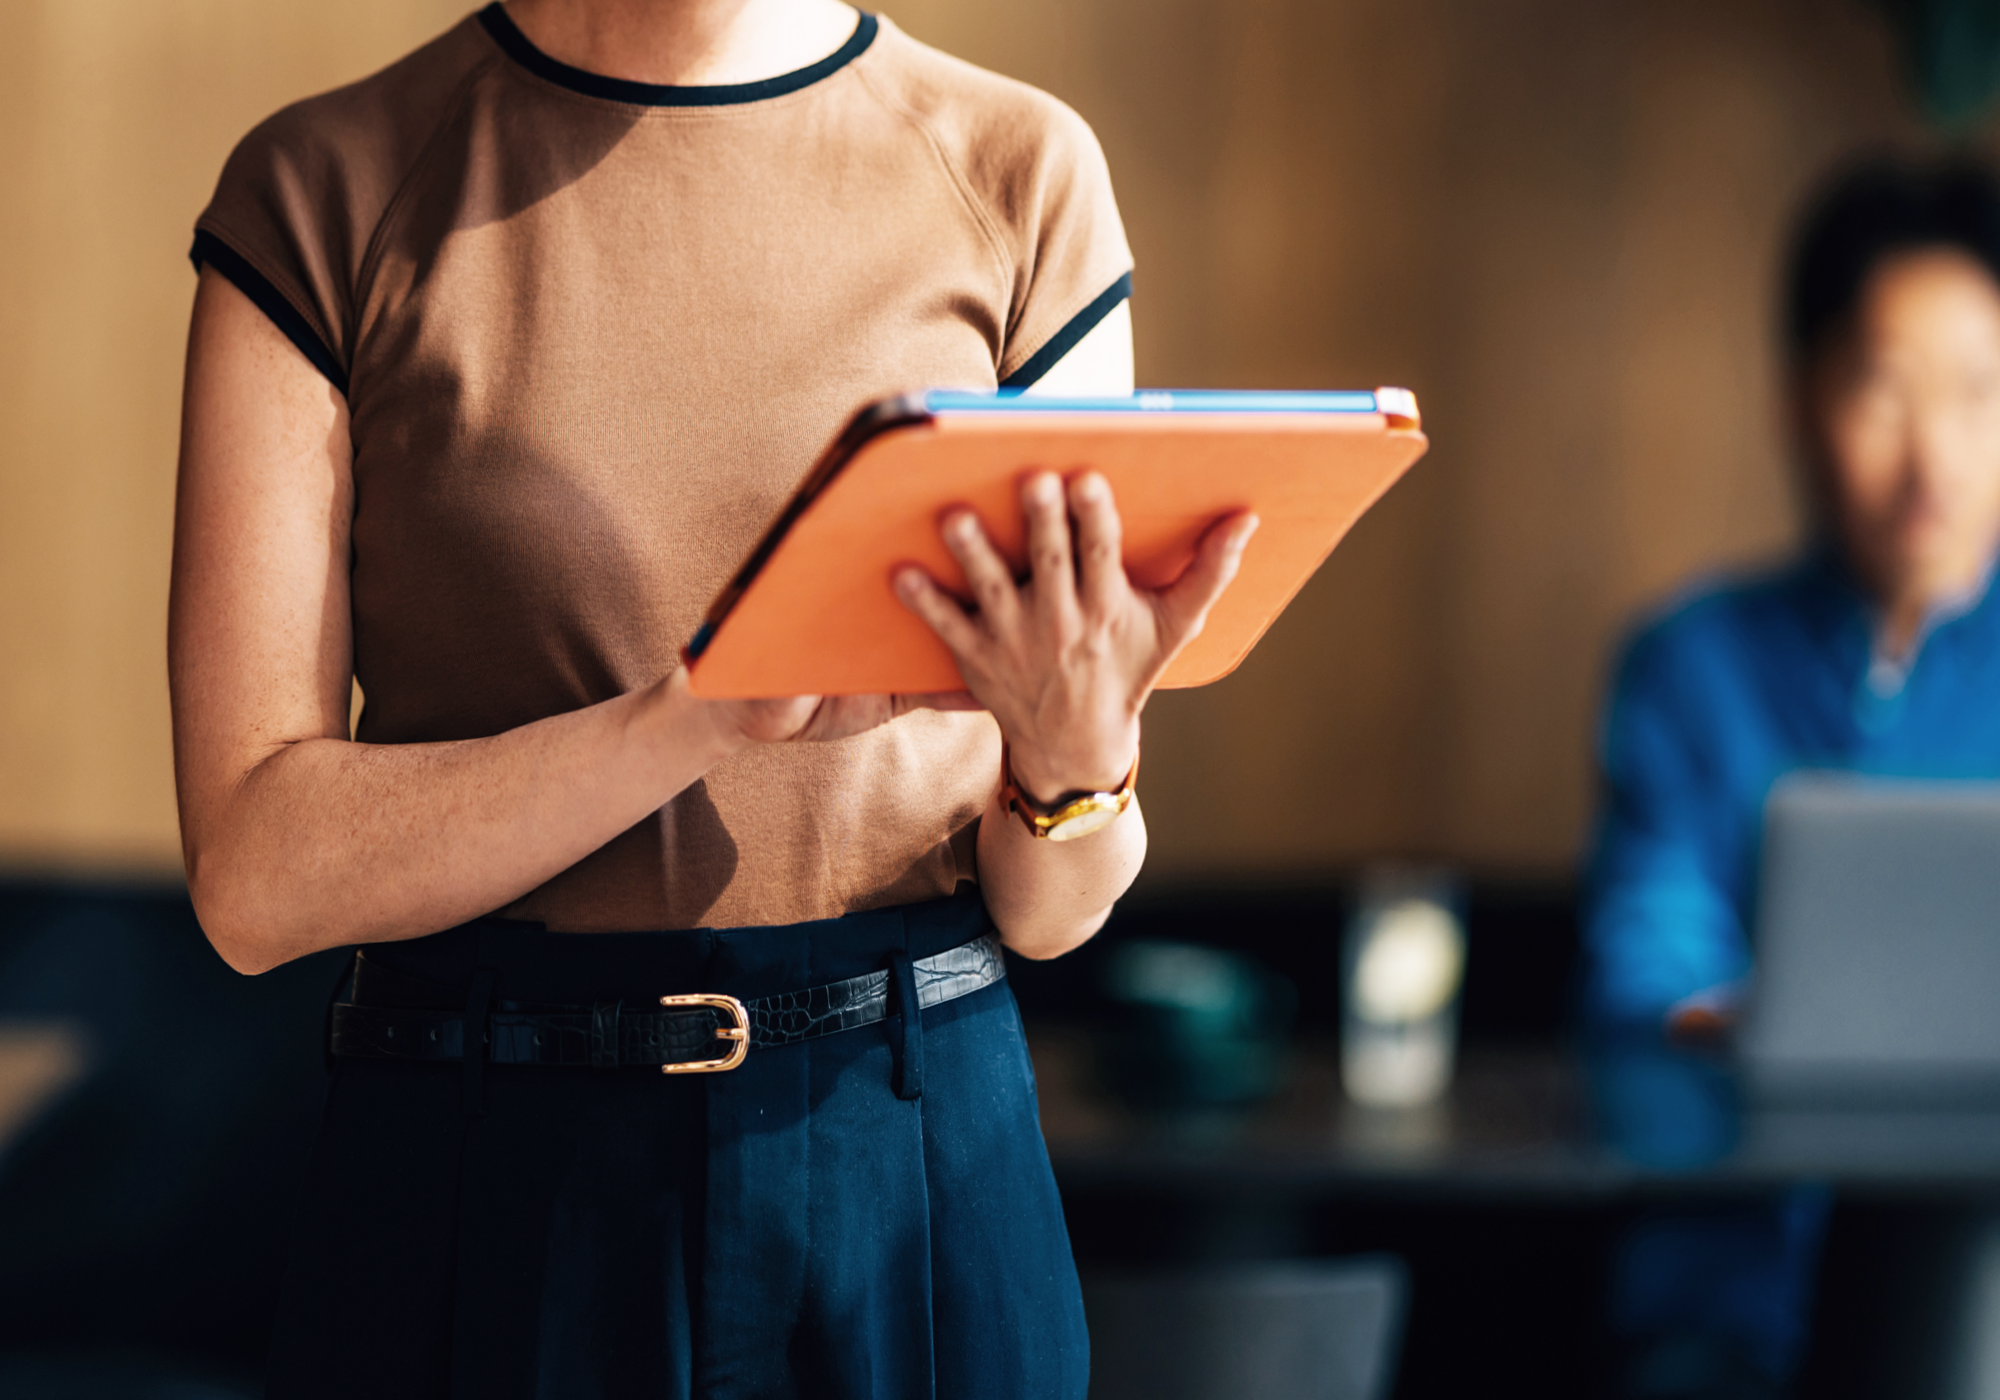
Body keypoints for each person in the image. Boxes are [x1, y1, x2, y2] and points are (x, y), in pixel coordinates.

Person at [167, 1, 1259, 1395]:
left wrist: (1074, 758)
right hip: (485, 1161)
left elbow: (1053, 910)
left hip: (919, 1151)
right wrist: (691, 716)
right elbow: (254, 876)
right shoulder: (327, 185)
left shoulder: (1019, 171)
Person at [1585, 156, 2000, 1398]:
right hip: (1734, 1288)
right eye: (1882, 390)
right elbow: (1644, 960)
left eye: (1976, 393)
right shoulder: (1688, 665)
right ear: (1795, 399)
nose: (1931, 459)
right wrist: (1761, 1020)